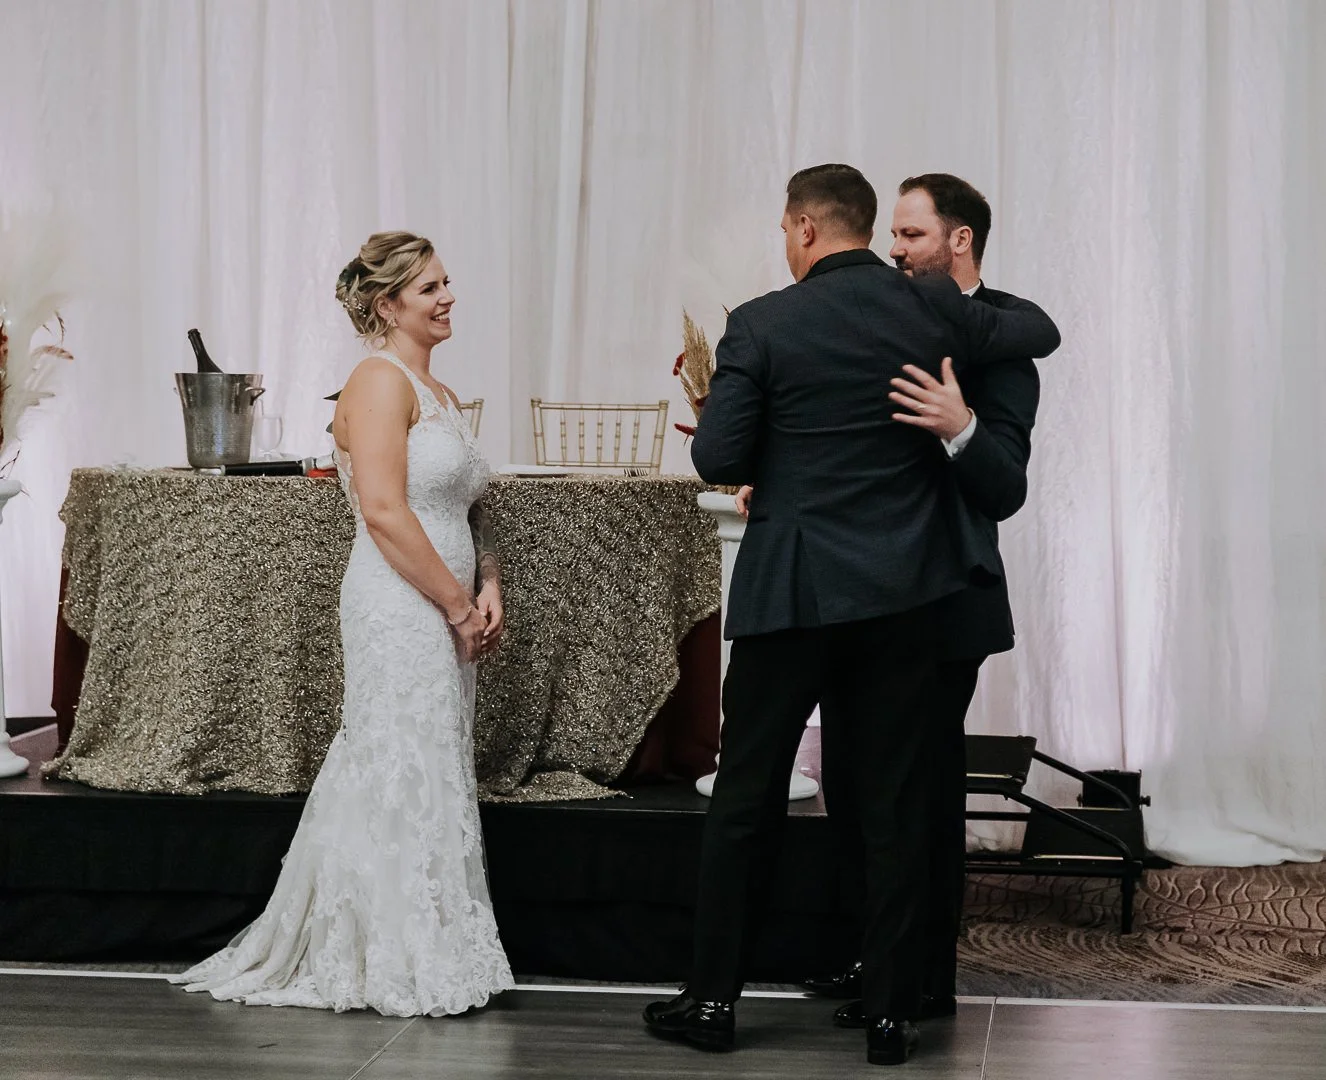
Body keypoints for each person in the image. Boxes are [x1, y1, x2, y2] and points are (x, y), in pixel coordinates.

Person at [642, 165, 1060, 1066]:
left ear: (800, 228)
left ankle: (713, 1001)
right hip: (902, 601)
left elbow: (718, 455)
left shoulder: (761, 321)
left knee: (748, 797)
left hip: (792, 595)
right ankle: (888, 1013)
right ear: (871, 230)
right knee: (897, 804)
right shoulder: (935, 314)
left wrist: (767, 449)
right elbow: (1035, 331)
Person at [171, 231, 514, 1016]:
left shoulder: (444, 395)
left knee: (432, 763)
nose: (448, 296)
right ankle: (380, 951)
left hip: (447, 603)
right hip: (400, 604)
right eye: (429, 287)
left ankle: (433, 940)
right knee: (397, 759)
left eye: (447, 281)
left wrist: (488, 580)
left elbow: (468, 505)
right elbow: (388, 513)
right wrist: (457, 606)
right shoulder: (376, 382)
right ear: (387, 304)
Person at [798, 173, 1043, 1030]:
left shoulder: (1007, 338)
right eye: (892, 235)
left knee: (921, 794)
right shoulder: (879, 311)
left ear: (959, 242)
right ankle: (872, 957)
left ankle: (920, 982)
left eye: (908, 236)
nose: (890, 251)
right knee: (860, 783)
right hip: (858, 594)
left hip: (946, 601)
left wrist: (960, 427)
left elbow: (1004, 486)